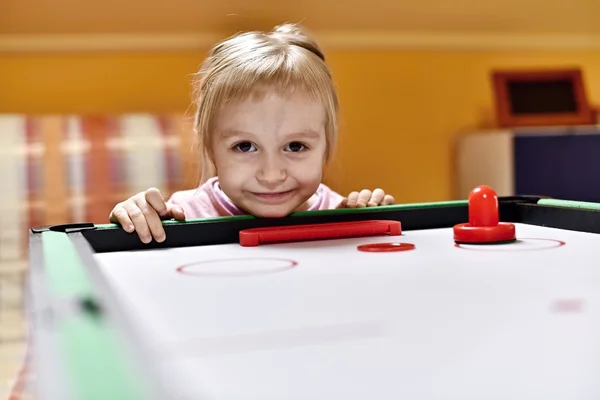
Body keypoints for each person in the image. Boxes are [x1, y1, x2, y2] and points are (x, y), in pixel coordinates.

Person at [109, 23, 395, 244]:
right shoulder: (182, 217)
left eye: (295, 146)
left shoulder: (339, 214)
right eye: (245, 146)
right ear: (209, 146)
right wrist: (136, 221)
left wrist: (374, 224)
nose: (271, 175)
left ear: (325, 145)